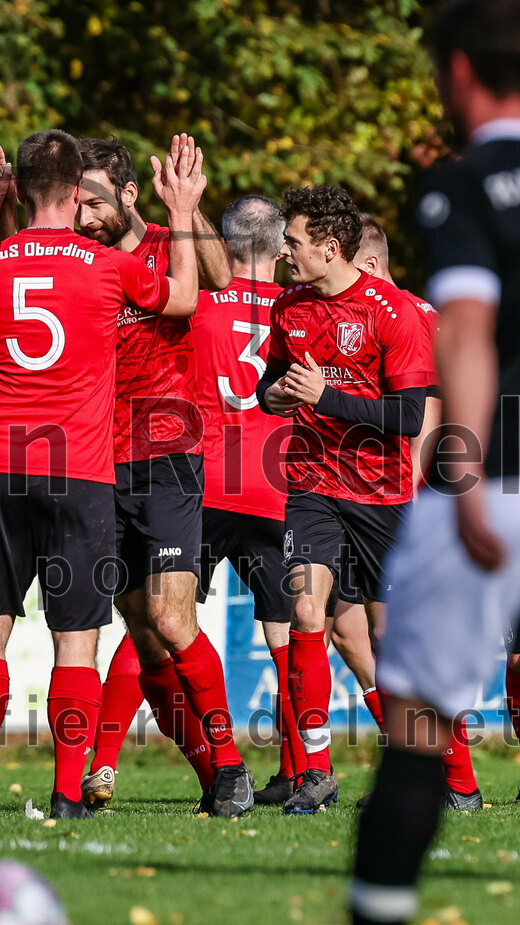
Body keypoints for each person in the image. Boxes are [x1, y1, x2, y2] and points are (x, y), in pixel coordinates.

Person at [0, 129, 199, 820]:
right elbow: (182, 298)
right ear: (74, 192)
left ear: (23, 189)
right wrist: (179, 209)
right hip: (81, 472)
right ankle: (66, 792)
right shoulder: (103, 266)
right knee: (76, 638)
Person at [351, 1, 520, 920]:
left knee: (415, 724)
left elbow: (466, 330)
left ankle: (377, 906)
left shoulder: (460, 184)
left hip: (500, 479)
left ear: (458, 72)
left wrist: (463, 476)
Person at [72, 137, 258, 818]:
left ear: (127, 194)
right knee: (145, 640)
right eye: (72, 204)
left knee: (171, 617)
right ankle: (214, 774)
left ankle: (232, 761)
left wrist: (185, 207)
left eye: (92, 201)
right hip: (98, 462)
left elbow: (217, 277)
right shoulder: (82, 262)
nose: (83, 216)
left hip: (170, 455)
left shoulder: (165, 242)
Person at [256, 185, 436, 815]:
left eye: (295, 242)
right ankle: (315, 770)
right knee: (308, 608)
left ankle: (435, 770)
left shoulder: (393, 312)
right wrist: (278, 397)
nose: (283, 253)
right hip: (310, 485)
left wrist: (321, 397)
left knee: (392, 636)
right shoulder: (290, 307)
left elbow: (410, 416)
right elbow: (265, 388)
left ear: (331, 248)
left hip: (382, 495)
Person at [342, 216, 483, 810]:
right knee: (347, 630)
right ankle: (423, 761)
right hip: (348, 489)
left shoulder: (405, 314)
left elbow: (426, 425)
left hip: (400, 497)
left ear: (369, 266)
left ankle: (458, 778)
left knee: (388, 635)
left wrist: (425, 506)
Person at [189, 195, 307, 806]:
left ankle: (100, 762)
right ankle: (301, 770)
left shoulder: (199, 298)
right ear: (284, 246)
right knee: (287, 636)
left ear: (226, 247)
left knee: (162, 622)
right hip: (280, 484)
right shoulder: (301, 306)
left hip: (204, 482)